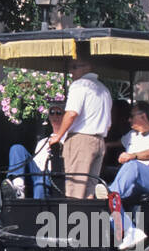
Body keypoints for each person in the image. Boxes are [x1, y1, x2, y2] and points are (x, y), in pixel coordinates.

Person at [101, 100, 149, 249]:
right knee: (113, 201)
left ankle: (109, 193)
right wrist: (105, 146)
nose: (129, 120)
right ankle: (129, 230)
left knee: (131, 166)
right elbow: (118, 143)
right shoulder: (132, 135)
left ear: (143, 116)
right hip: (135, 182)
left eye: (132, 116)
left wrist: (132, 155)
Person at [48, 58, 113, 198]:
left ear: (87, 67)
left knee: (74, 189)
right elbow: (108, 124)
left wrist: (58, 137)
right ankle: (87, 219)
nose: (71, 71)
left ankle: (72, 218)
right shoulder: (104, 89)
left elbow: (71, 113)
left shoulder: (80, 85)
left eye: (74, 67)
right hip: (100, 141)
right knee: (90, 190)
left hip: (81, 140)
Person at [7, 103, 65, 199]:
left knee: (40, 183)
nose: (55, 116)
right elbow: (36, 164)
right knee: (17, 148)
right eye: (52, 112)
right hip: (38, 173)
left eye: (58, 113)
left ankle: (38, 212)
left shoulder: (68, 139)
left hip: (55, 176)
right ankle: (18, 188)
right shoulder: (42, 142)